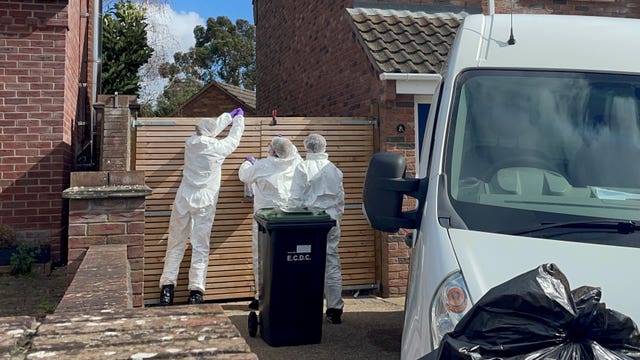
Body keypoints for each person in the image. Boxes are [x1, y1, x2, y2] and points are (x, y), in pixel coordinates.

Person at [159, 108, 245, 305]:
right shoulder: (218, 149)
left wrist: (227, 117)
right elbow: (234, 139)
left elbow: (209, 129)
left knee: (176, 242)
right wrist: (238, 119)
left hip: (184, 198)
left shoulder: (190, 143)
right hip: (205, 201)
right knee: (200, 245)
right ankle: (196, 292)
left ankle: (167, 289)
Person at [238, 136, 302, 310]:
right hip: (289, 219)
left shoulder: (262, 166)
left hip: (264, 220)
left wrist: (247, 163)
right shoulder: (296, 163)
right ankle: (286, 295)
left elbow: (244, 176)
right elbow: (292, 153)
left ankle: (261, 297)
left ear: (273, 151)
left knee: (261, 256)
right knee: (288, 256)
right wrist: (285, 144)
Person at [288, 133, 345, 324]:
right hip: (331, 220)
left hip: (309, 221)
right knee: (332, 261)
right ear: (323, 147)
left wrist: (292, 218)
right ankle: (335, 309)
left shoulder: (303, 167)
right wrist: (337, 217)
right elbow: (340, 199)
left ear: (307, 147)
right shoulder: (335, 170)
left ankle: (307, 306)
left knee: (306, 261)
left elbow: (295, 199)